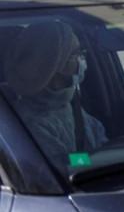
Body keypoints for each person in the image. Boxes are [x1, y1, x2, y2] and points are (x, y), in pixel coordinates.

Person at [3, 21, 107, 170]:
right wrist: (102, 158)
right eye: (75, 54)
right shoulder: (32, 122)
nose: (81, 61)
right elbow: (64, 165)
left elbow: (100, 138)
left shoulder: (67, 105)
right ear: (52, 65)